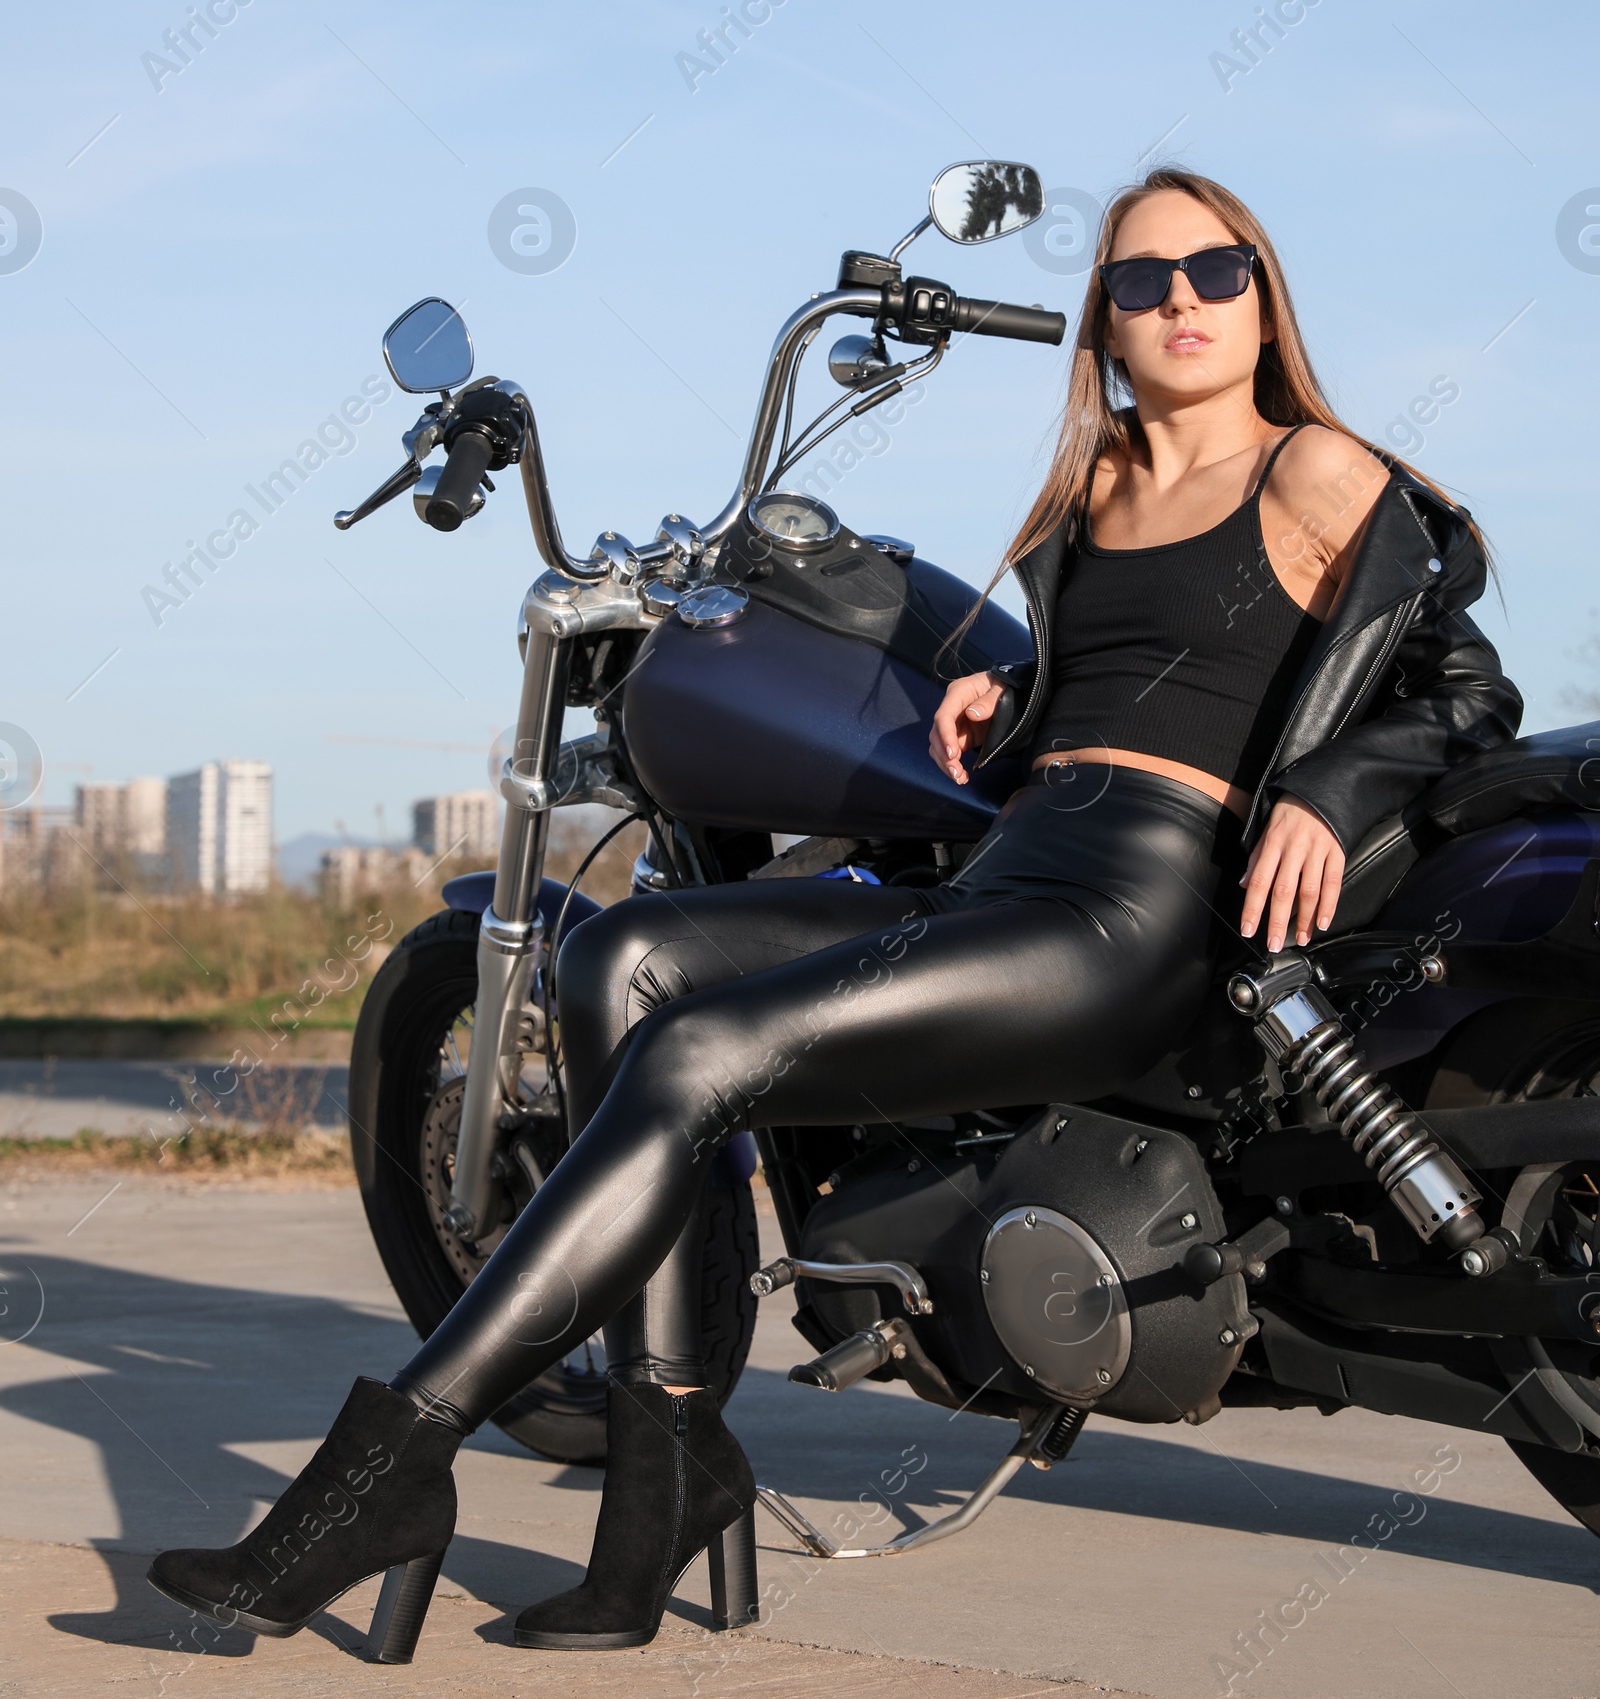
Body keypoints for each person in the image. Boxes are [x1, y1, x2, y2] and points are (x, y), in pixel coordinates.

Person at [147, 168, 1521, 1658]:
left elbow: (1465, 689)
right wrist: (1017, 703)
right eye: (1140, 281)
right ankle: (665, 1482)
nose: (1180, 302)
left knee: (694, 1060)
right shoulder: (1094, 488)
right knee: (621, 956)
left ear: (1264, 296)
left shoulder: (1313, 470)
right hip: (1021, 864)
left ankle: (382, 1476)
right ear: (1103, 327)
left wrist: (1330, 782)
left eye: (1215, 270)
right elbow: (1134, 678)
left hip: (1142, 906)